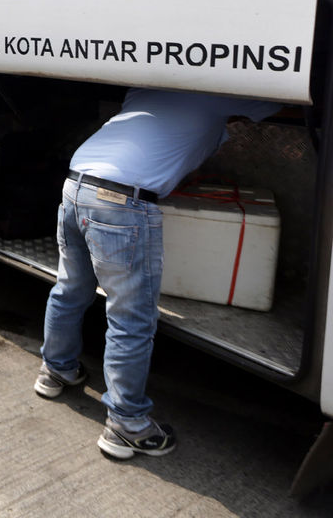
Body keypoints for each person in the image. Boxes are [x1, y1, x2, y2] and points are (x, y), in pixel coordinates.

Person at [36, 88, 279, 459]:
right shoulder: (221, 91)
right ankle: (127, 425)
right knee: (130, 318)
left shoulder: (145, 88)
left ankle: (55, 371)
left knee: (69, 289)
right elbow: (283, 92)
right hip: (121, 203)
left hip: (75, 185)